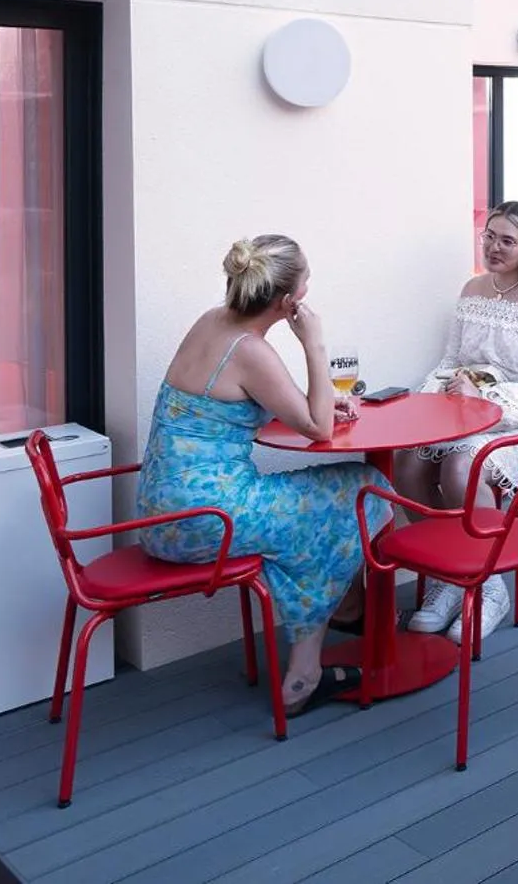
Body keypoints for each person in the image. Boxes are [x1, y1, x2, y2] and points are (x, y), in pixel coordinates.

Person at [137, 235, 385, 717]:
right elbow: (316, 429)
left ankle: (343, 615)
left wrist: (314, 404)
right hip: (206, 517)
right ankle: (306, 672)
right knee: (363, 488)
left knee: (315, 513)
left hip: (157, 511)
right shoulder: (251, 350)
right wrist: (314, 345)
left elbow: (240, 404)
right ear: (288, 301)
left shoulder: (210, 322)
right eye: (306, 280)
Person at [393, 200, 518, 643]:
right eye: (489, 236)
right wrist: (441, 390)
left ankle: (488, 586)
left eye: (508, 241)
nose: (495, 247)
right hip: (467, 405)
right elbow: (453, 359)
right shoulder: (472, 289)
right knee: (407, 462)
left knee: (464, 464)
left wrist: (490, 398)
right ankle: (447, 574)